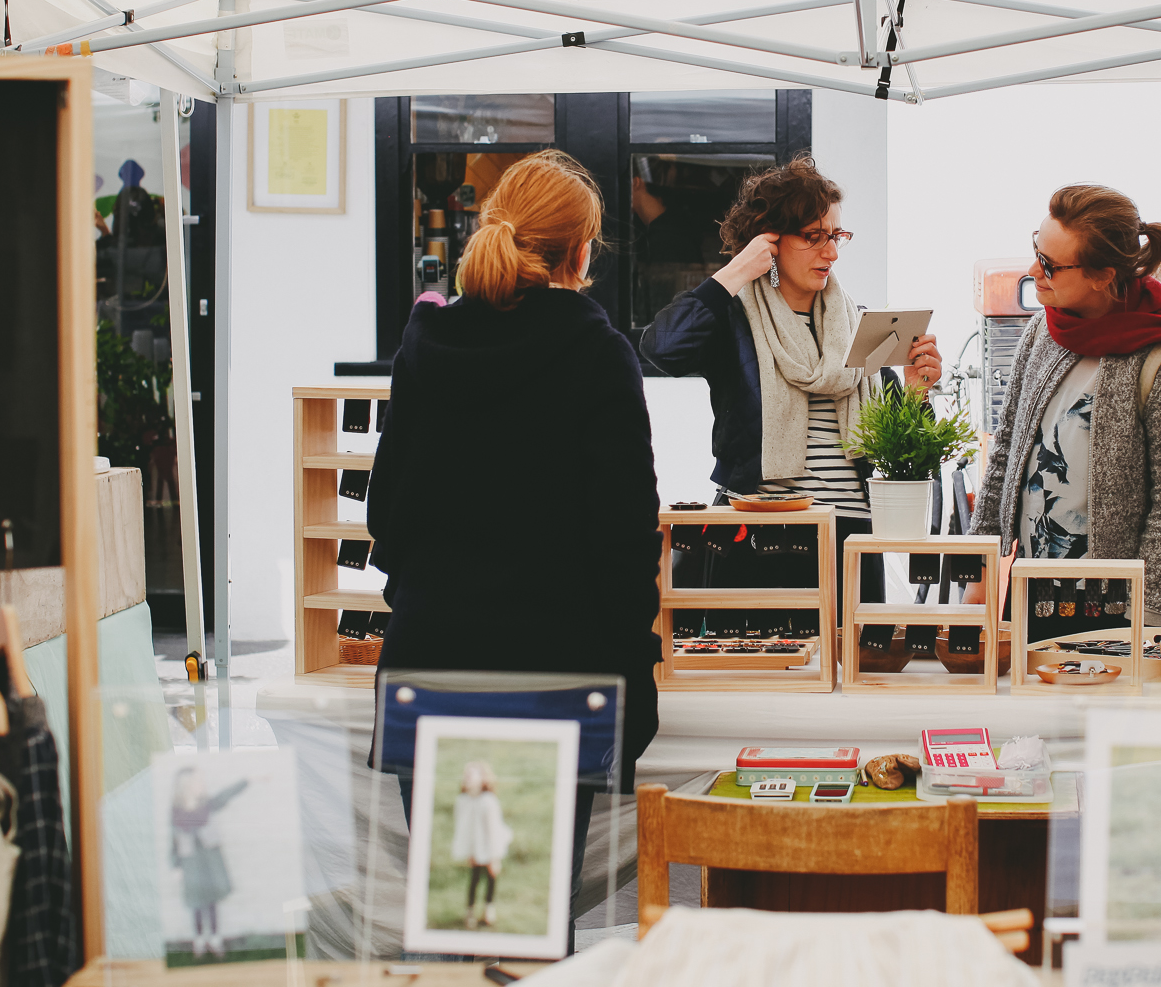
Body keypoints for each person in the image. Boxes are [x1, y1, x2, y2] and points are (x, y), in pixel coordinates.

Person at [368, 150, 660, 951]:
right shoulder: (597, 354)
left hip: (427, 672)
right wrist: (637, 658)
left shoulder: (425, 344)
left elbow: (384, 517)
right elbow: (626, 542)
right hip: (550, 682)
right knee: (522, 942)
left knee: (460, 929)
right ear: (579, 252)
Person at [641, 157, 942, 643]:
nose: (831, 252)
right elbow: (662, 348)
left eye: (836, 236)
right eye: (812, 236)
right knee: (755, 686)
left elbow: (900, 453)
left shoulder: (858, 324)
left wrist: (915, 392)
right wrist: (735, 272)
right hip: (758, 539)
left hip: (849, 541)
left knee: (850, 688)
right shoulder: (735, 319)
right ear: (770, 241)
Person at [969, 183, 1161, 639]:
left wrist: (1146, 617)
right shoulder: (1040, 334)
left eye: (1052, 265)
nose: (1035, 270)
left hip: (1111, 612)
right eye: (1036, 250)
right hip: (1029, 592)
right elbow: (1006, 452)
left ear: (1103, 275)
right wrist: (976, 571)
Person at [169, 767, 248, 959]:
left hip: (209, 862)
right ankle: (198, 940)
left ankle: (214, 939)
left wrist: (247, 780)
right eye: (197, 782)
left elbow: (225, 795)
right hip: (191, 864)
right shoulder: (177, 812)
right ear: (186, 787)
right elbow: (174, 841)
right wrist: (175, 866)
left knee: (211, 901)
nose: (202, 784)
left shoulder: (208, 805)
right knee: (196, 902)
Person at [452, 761, 513, 931]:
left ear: (483, 779)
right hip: (474, 847)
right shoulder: (463, 800)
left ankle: (489, 908)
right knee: (474, 878)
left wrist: (495, 858)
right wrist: (467, 851)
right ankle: (470, 911)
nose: (468, 778)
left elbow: (493, 831)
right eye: (466, 776)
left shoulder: (489, 801)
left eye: (472, 775)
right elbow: (462, 829)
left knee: (491, 877)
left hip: (490, 846)